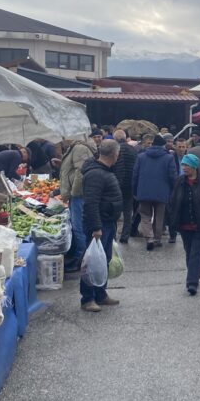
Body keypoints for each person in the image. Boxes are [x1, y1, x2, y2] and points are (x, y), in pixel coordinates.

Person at [79, 139, 122, 312]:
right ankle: (87, 298)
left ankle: (101, 294)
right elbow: (91, 203)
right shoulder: (96, 174)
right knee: (91, 262)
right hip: (99, 225)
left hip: (107, 222)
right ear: (115, 154)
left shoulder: (103, 170)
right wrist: (96, 227)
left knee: (103, 260)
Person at [167, 154, 200, 295]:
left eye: (187, 165)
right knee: (189, 252)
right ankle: (193, 275)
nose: (184, 168)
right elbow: (172, 200)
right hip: (184, 224)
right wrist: (172, 219)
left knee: (196, 253)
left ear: (194, 167)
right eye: (183, 165)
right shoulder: (179, 181)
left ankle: (192, 282)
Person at [133, 135, 178, 251]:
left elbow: (135, 175)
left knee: (145, 216)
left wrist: (135, 190)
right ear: (163, 145)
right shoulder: (169, 158)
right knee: (159, 216)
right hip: (162, 191)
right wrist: (174, 189)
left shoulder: (141, 157)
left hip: (144, 190)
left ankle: (149, 238)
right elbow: (173, 176)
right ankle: (157, 239)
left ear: (152, 144)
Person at [59, 138, 94, 271]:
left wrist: (73, 192)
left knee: (79, 227)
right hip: (77, 195)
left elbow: (81, 172)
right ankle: (79, 256)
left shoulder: (79, 148)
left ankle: (80, 260)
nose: (62, 139)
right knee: (77, 226)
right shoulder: (75, 148)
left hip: (79, 195)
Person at [111, 130, 139, 244]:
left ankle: (113, 235)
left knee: (114, 212)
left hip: (116, 184)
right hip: (130, 185)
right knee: (128, 212)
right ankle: (125, 235)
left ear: (115, 139)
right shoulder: (133, 150)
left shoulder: (115, 150)